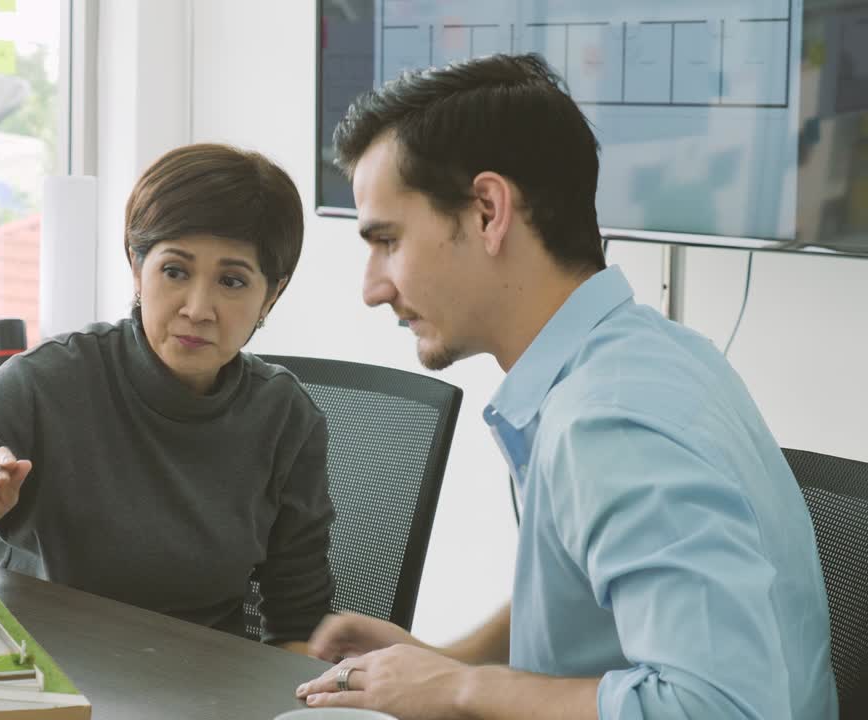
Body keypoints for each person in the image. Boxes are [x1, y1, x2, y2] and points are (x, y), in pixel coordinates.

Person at [295, 54, 838, 718]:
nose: (372, 288)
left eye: (388, 240)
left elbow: (723, 709)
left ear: (489, 212)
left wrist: (456, 691)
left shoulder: (609, 419)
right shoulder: (643, 353)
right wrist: (443, 659)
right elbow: (594, 589)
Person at [0, 143, 334, 651]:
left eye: (232, 281)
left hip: (205, 691)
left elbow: (299, 625)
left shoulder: (285, 418)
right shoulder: (45, 382)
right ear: (137, 268)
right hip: (45, 676)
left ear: (270, 295)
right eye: (175, 271)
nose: (198, 308)